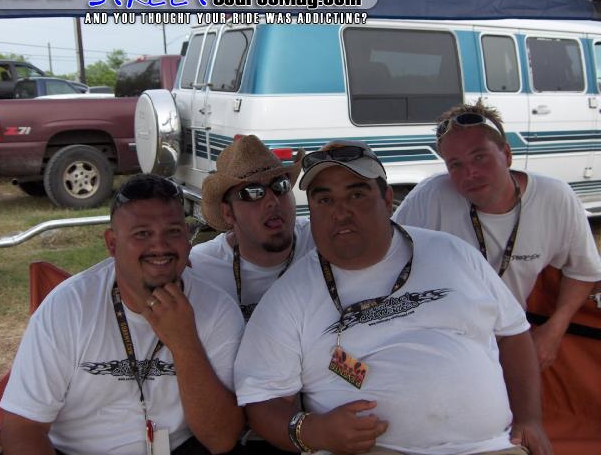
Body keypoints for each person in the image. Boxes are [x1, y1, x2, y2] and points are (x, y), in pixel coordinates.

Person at [234, 140, 551, 455]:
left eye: (356, 195)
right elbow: (262, 400)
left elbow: (513, 333)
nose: (340, 212)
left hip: (489, 447)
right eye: (324, 200)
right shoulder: (288, 297)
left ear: (387, 200)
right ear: (311, 210)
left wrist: (530, 419)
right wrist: (314, 432)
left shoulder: (453, 253)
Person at [0, 174, 245, 455]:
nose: (160, 246)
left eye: (173, 231)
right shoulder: (67, 308)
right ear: (112, 244)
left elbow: (222, 439)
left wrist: (184, 343)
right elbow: (21, 428)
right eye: (142, 233)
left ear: (188, 240)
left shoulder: (217, 309)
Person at [393, 100, 601, 370]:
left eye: (480, 157)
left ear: (507, 154)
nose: (470, 173)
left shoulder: (554, 197)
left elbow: (583, 271)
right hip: (445, 341)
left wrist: (554, 330)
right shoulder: (431, 196)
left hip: (511, 337)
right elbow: (387, 256)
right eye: (455, 164)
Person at [190, 135, 314, 321]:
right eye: (253, 193)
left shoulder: (320, 243)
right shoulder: (200, 269)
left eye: (281, 186)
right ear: (228, 213)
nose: (272, 201)